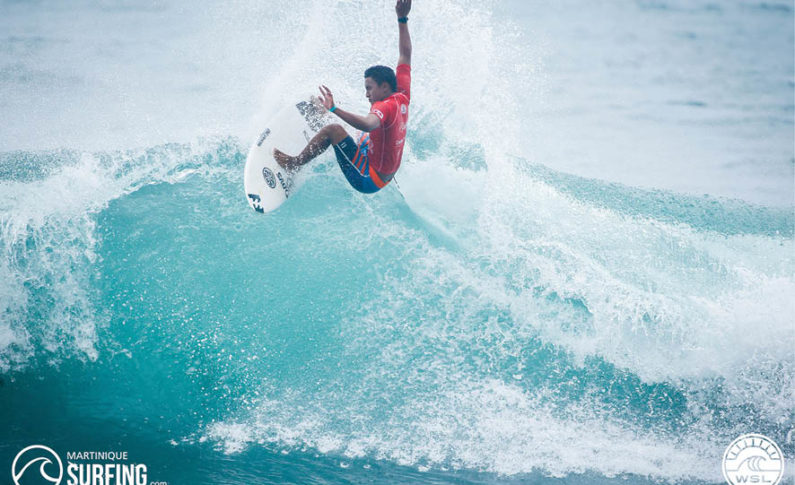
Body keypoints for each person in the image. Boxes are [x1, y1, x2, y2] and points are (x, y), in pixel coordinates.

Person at [273, 0, 413, 194]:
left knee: (335, 129)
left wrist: (334, 109)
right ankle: (319, 118)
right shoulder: (402, 93)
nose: (367, 94)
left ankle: (294, 164)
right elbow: (405, 54)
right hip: (383, 165)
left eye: (369, 88)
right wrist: (402, 19)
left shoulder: (384, 107)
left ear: (384, 86)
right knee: (351, 127)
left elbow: (368, 124)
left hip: (369, 178)